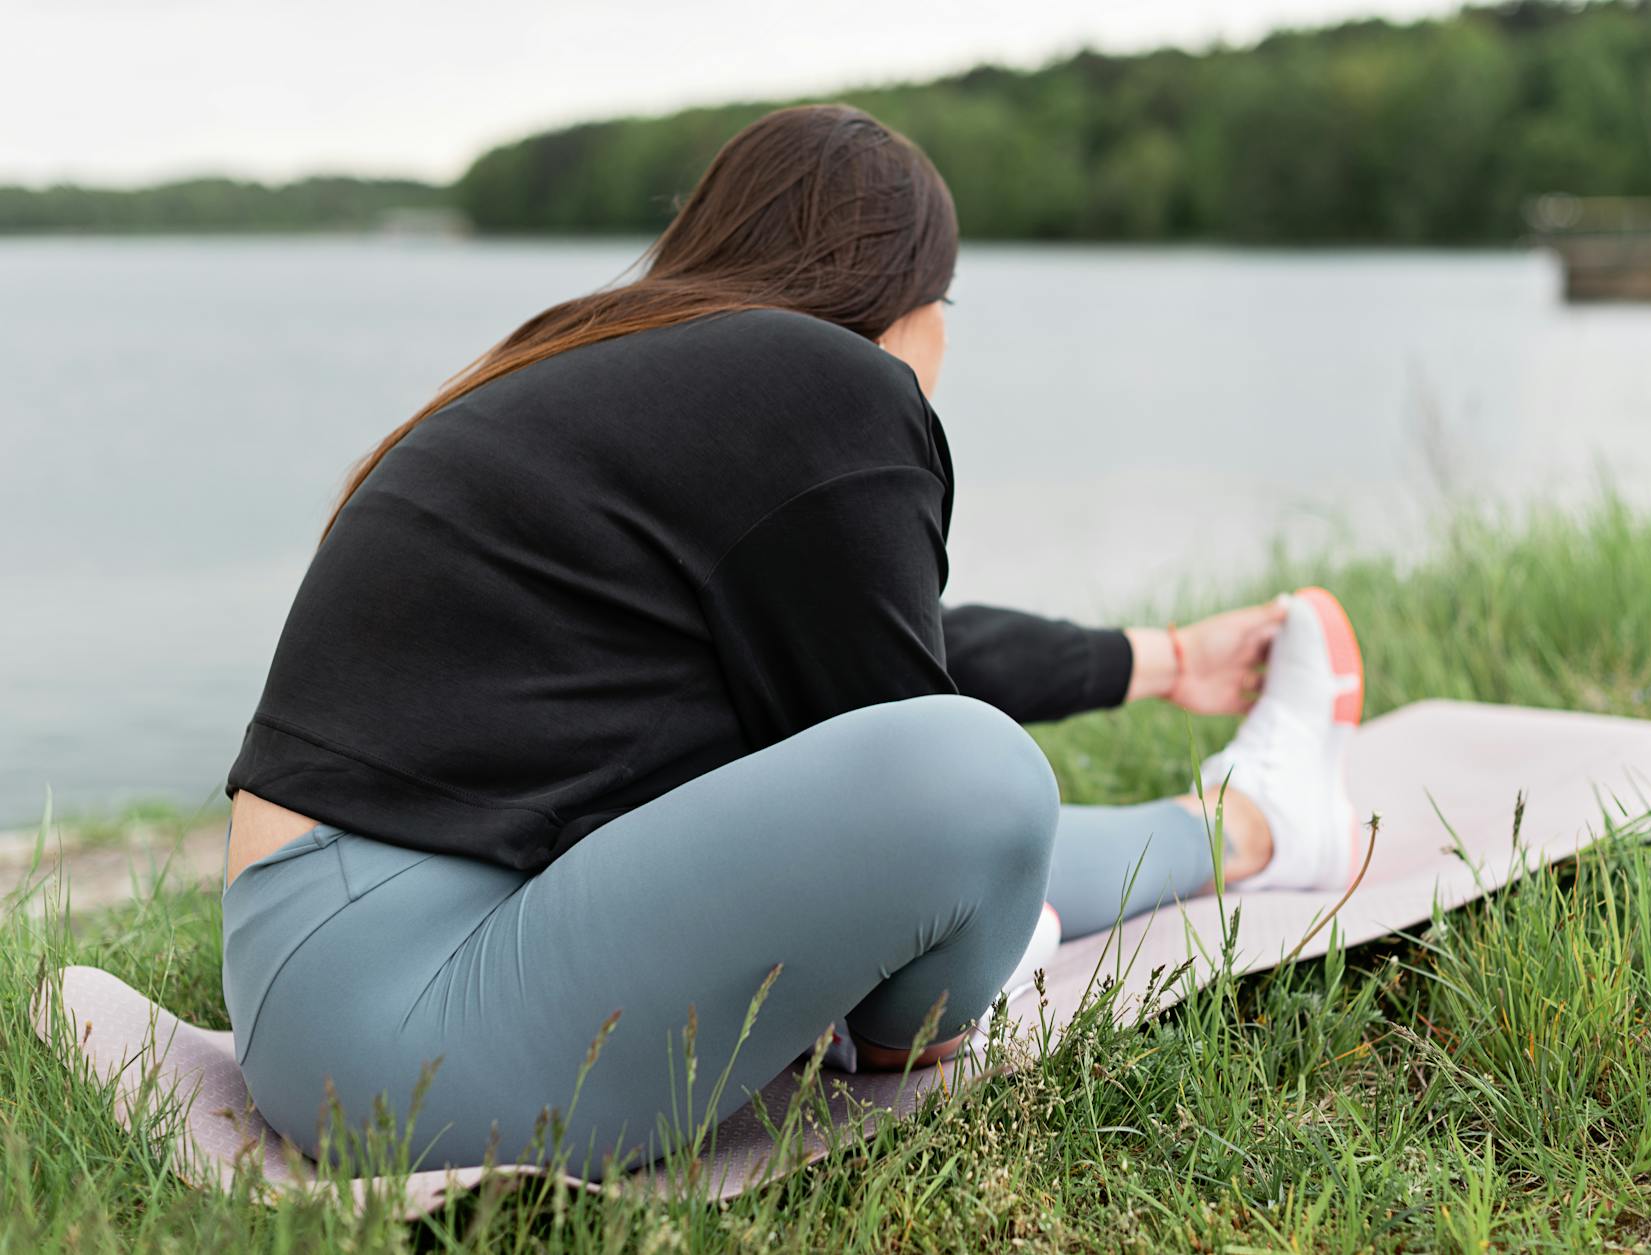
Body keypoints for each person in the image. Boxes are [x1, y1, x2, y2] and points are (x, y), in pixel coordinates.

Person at [219, 103, 1366, 1177]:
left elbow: (874, 669)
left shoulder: (612, 360)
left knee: (930, 779)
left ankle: (1247, 824)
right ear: (913, 300)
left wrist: (1162, 658)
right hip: (407, 1030)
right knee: (976, 783)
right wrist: (914, 976)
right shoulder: (831, 380)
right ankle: (1111, 892)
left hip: (335, 978)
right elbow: (911, 744)